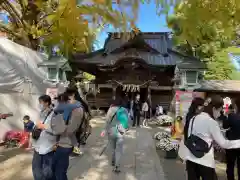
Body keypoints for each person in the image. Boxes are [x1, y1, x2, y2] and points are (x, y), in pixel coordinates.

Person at [179, 95, 240, 180]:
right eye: (220, 111)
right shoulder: (211, 122)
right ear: (214, 109)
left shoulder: (193, 118)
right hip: (205, 161)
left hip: (191, 159)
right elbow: (224, 144)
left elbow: (191, 137)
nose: (219, 114)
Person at [101, 97, 129, 173]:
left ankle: (113, 160)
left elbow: (107, 121)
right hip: (121, 131)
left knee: (112, 147)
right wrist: (126, 129)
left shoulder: (111, 109)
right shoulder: (125, 110)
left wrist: (104, 130)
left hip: (111, 130)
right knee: (119, 149)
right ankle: (117, 165)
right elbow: (128, 121)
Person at [31, 95, 55, 180]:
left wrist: (44, 126)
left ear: (47, 103)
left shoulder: (54, 114)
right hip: (38, 145)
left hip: (48, 146)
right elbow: (36, 125)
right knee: (36, 169)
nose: (39, 104)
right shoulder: (40, 112)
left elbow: (56, 130)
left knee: (47, 171)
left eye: (40, 102)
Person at [223, 99, 240, 180]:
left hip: (232, 145)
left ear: (236, 106)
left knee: (230, 165)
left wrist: (226, 115)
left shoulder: (232, 116)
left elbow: (224, 126)